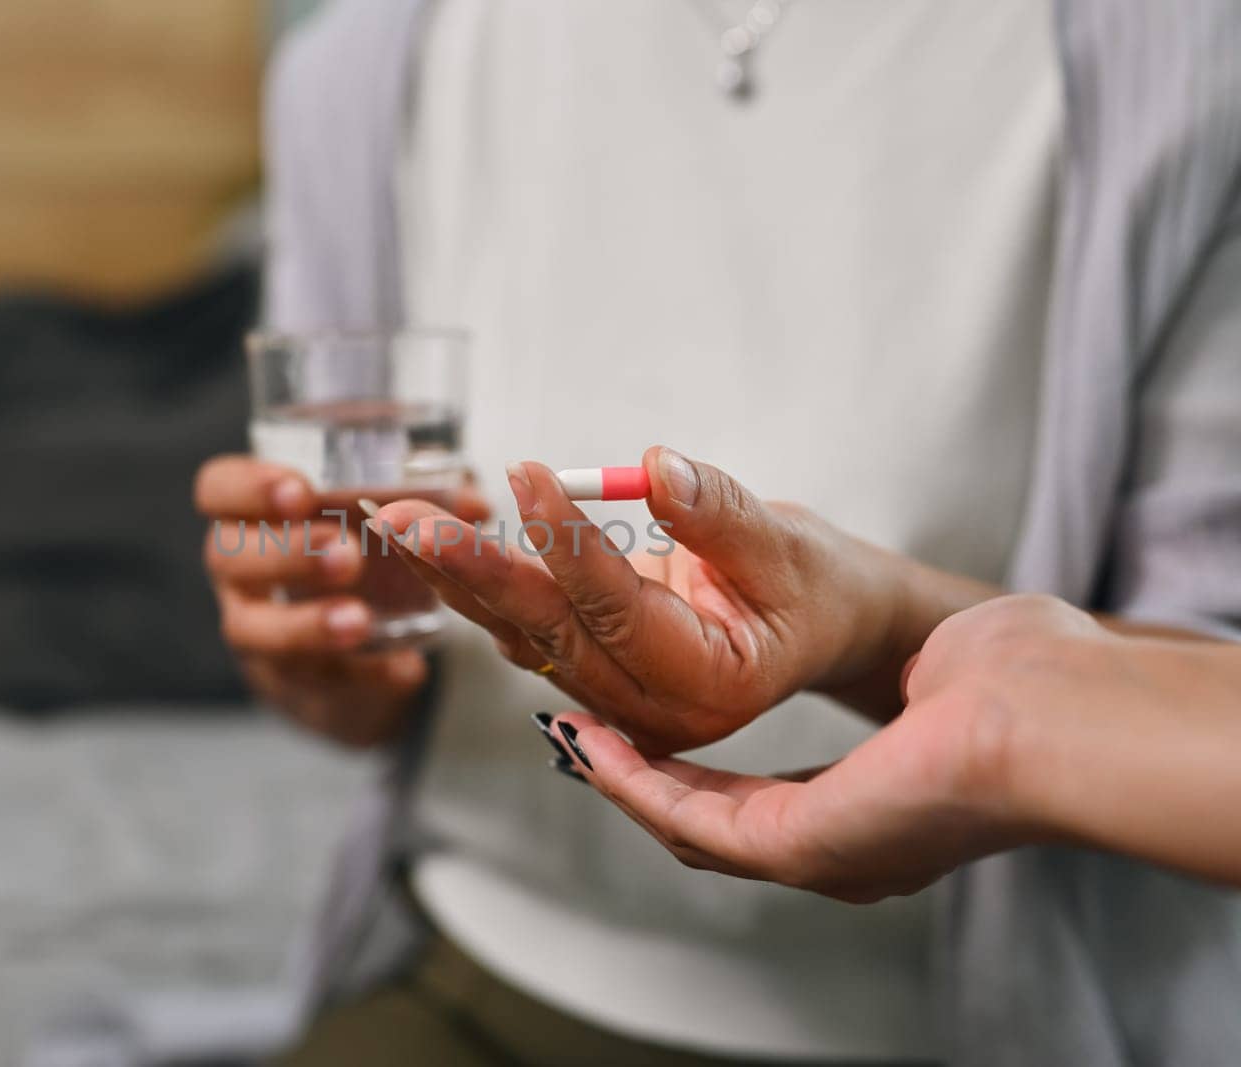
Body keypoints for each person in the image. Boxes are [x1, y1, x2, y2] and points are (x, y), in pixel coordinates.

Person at [197, 1, 1241, 1063]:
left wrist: (882, 632)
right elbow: (366, 663)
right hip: (472, 970)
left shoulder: (1180, 60)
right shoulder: (366, 64)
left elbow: (1198, 681)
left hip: (972, 1025)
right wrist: (325, 659)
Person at [371, 454, 1241, 899]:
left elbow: (1204, 642)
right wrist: (321, 662)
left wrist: (988, 715)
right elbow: (360, 718)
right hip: (466, 923)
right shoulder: (365, 103)